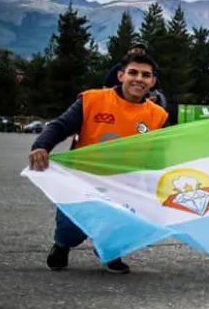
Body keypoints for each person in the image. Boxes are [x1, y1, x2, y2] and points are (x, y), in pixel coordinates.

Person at [29, 53, 169, 274]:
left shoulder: (158, 115)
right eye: (133, 73)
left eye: (146, 75)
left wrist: (158, 184)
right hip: (82, 179)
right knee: (72, 228)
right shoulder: (92, 100)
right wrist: (41, 146)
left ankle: (111, 250)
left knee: (128, 220)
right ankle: (62, 245)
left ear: (152, 82)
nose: (139, 79)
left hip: (124, 185)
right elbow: (59, 126)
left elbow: (158, 154)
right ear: (121, 76)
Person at [103, 42, 167, 110]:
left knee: (161, 98)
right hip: (120, 97)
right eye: (136, 50)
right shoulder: (118, 67)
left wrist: (153, 97)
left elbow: (155, 89)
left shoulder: (150, 68)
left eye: (141, 51)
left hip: (144, 95)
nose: (138, 53)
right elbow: (106, 87)